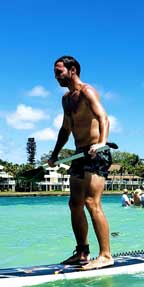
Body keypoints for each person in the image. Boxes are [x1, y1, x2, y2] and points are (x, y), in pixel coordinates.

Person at [48, 55, 113, 270]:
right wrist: (55, 155)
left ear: (72, 70)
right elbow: (65, 129)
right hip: (78, 154)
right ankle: (82, 253)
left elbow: (104, 118)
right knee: (74, 204)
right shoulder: (66, 99)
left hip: (97, 153)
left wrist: (101, 143)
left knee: (91, 202)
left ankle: (105, 255)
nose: (56, 76)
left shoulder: (87, 91)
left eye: (59, 71)